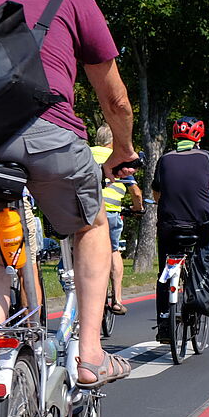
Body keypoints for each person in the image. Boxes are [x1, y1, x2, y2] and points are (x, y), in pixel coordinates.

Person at [0, 0, 137, 413]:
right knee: (90, 227)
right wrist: (123, 149)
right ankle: (91, 355)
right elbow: (114, 98)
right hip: (50, 133)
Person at [150, 118, 209, 339]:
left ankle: (165, 322)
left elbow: (156, 194)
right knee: (208, 256)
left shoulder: (165, 159)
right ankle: (200, 297)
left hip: (170, 225)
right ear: (198, 137)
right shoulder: (206, 157)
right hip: (201, 225)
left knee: (164, 272)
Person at [90, 125, 143, 315]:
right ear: (113, 141)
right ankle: (117, 299)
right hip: (110, 213)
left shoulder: (86, 153)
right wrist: (138, 209)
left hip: (86, 212)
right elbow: (135, 193)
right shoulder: (116, 159)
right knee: (113, 250)